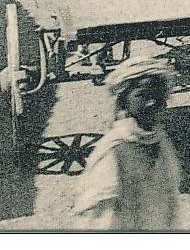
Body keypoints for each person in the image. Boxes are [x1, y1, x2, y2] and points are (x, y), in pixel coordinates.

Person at [73, 55, 182, 230]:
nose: (151, 101)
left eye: (158, 95)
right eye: (141, 95)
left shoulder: (160, 142)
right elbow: (96, 219)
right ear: (123, 101)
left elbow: (170, 203)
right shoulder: (114, 150)